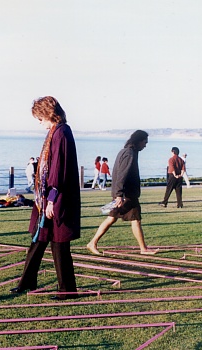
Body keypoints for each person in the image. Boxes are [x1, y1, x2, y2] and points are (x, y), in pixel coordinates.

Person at [10, 96, 80, 300]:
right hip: (46, 197)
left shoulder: (61, 132)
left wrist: (51, 199)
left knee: (59, 244)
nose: (40, 124)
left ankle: (67, 290)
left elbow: (58, 168)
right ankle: (27, 282)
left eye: (40, 119)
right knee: (38, 239)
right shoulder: (55, 132)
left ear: (48, 114)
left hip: (55, 197)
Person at [87, 130, 158, 256]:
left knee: (124, 219)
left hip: (127, 194)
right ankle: (93, 243)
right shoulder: (129, 153)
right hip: (127, 195)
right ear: (139, 141)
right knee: (123, 218)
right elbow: (121, 174)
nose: (145, 145)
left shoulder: (127, 151)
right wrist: (119, 194)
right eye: (144, 142)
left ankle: (143, 248)